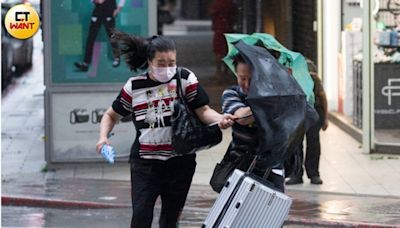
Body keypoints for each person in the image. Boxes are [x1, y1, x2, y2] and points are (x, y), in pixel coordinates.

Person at [95, 33, 235, 227]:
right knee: (141, 216)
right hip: (145, 165)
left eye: (172, 62)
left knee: (170, 220)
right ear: (149, 61)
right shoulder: (134, 87)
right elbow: (111, 115)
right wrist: (103, 138)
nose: (168, 68)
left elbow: (203, 110)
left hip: (180, 164)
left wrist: (220, 119)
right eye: (161, 63)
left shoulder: (184, 79)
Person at [220, 53, 285, 192]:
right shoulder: (231, 93)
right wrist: (267, 104)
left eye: (252, 79)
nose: (247, 84)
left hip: (272, 170)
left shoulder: (280, 96)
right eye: (242, 78)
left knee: (270, 212)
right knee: (235, 212)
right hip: (239, 166)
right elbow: (242, 118)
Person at [286, 59, 328, 185]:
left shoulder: (313, 77)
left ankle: (314, 174)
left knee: (313, 143)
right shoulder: (289, 78)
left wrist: (325, 118)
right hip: (297, 112)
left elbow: (322, 96)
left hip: (314, 111)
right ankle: (296, 174)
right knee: (295, 144)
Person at [74, 0, 125, 72]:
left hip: (109, 10)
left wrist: (118, 9)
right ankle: (85, 64)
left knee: (112, 36)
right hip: (98, 10)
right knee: (90, 37)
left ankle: (117, 58)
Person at [210, 0, 237, 78]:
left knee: (218, 52)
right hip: (229, 30)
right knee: (227, 51)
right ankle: (226, 71)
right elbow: (235, 15)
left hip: (219, 30)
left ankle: (218, 71)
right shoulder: (231, 4)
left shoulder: (216, 4)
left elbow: (212, 14)